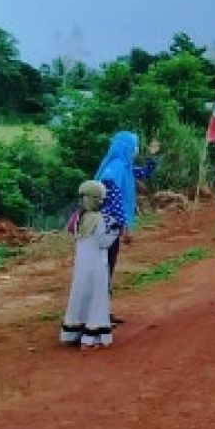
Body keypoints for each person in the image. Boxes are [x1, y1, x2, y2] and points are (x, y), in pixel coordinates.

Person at [94, 131, 160, 325]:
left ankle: (102, 310)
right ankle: (99, 313)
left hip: (110, 227)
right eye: (134, 146)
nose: (135, 150)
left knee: (107, 267)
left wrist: (153, 156)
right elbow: (114, 203)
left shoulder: (123, 167)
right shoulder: (114, 171)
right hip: (107, 228)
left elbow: (144, 173)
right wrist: (125, 228)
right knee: (104, 267)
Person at [60, 181, 120, 349]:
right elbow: (103, 243)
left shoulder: (78, 217)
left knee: (79, 297)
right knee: (97, 301)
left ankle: (72, 333)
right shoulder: (98, 219)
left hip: (81, 267)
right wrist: (115, 231)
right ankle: (91, 338)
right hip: (97, 266)